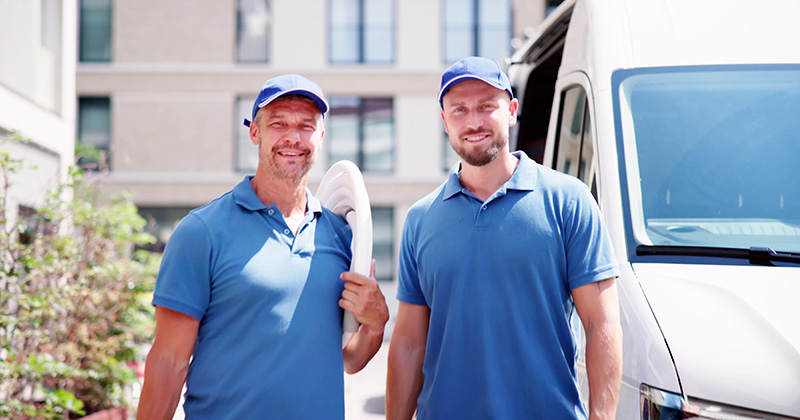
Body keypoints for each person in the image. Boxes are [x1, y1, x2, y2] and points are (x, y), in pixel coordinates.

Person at [137, 74, 389, 420]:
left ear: (321, 136)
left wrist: (375, 325)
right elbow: (168, 361)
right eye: (278, 123)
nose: (292, 137)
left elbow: (350, 359)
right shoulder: (202, 232)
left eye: (305, 126)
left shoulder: (339, 235)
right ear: (254, 132)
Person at [386, 57, 623, 420]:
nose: (473, 121)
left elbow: (601, 324)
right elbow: (407, 344)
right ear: (444, 120)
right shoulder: (420, 219)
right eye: (459, 110)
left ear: (511, 111)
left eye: (486, 106)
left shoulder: (568, 201)